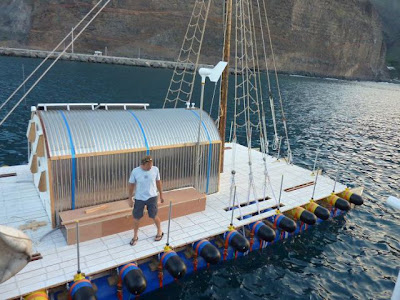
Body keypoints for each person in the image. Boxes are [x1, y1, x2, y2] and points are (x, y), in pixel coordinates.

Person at [128, 155, 164, 246]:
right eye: (148, 166)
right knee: (136, 218)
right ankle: (135, 236)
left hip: (152, 197)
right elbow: (131, 185)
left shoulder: (155, 169)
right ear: (143, 164)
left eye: (151, 165)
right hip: (139, 198)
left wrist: (161, 195)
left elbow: (158, 182)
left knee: (154, 215)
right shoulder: (135, 171)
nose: (150, 167)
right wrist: (130, 198)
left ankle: (159, 231)